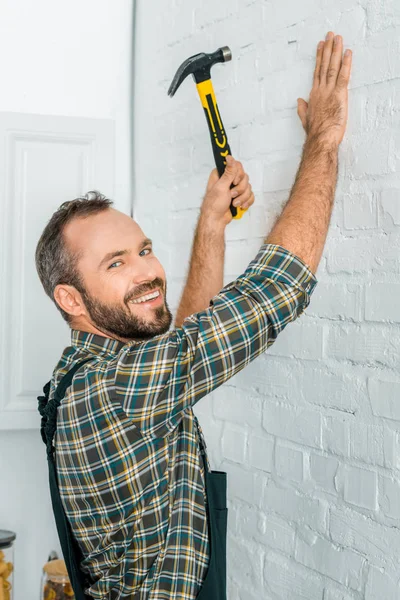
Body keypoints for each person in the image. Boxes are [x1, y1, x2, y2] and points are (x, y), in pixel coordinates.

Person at [35, 31, 352, 600]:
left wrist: (210, 225)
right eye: (116, 263)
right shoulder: (113, 389)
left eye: (145, 249)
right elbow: (274, 289)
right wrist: (325, 138)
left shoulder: (97, 371)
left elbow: (179, 345)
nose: (148, 271)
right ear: (72, 299)